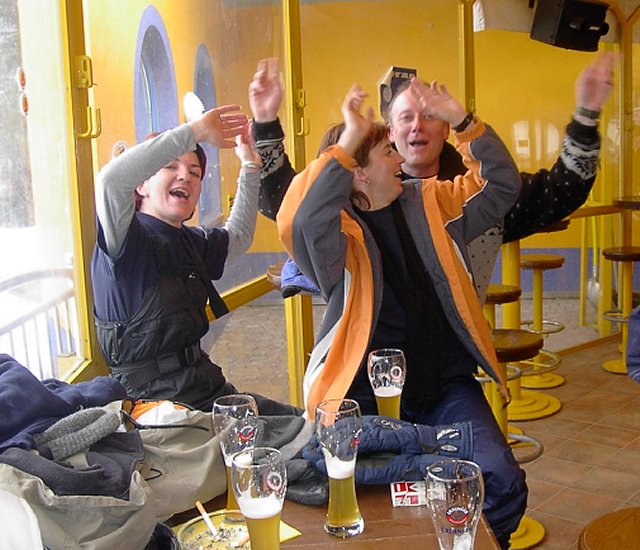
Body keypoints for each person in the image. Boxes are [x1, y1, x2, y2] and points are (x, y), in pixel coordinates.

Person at [277, 80, 525, 548]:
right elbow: (300, 219)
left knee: (500, 479)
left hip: (443, 388)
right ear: (358, 173)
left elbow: (502, 185)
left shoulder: (431, 200)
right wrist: (349, 140)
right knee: (377, 503)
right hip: (363, 399)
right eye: (386, 151)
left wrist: (464, 122)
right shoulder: (339, 238)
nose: (399, 157)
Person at [252, 53, 615, 302]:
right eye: (406, 118)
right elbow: (284, 203)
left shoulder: (476, 193)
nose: (417, 126)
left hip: (452, 353)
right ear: (390, 132)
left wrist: (586, 115)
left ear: (447, 128)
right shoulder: (358, 192)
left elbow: (563, 190)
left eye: (429, 116)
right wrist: (266, 123)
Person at [90, 103, 298, 415]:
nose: (185, 176)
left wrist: (250, 166)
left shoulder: (188, 241)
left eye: (195, 172)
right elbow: (110, 181)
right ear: (141, 184)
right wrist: (197, 130)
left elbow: (238, 236)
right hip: (158, 412)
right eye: (170, 166)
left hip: (207, 394)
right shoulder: (126, 242)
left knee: (309, 424)